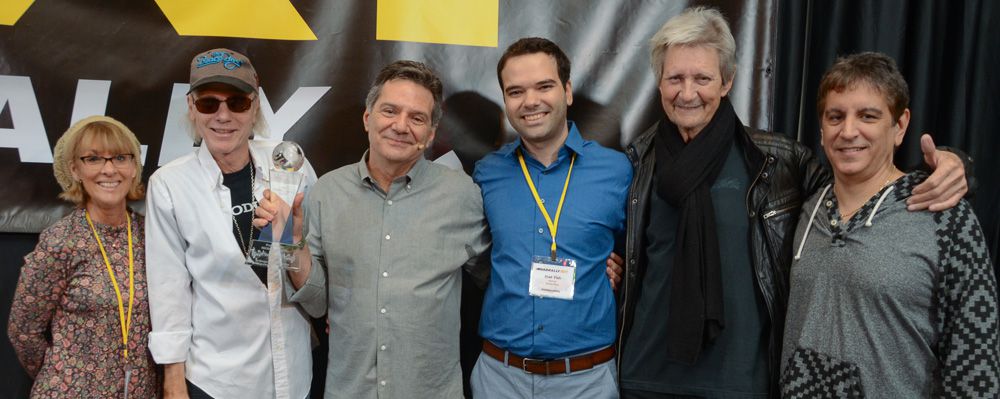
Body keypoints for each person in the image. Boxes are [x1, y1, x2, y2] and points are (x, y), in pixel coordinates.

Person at [615, 7, 970, 399]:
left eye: (702, 78)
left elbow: (862, 187)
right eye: (674, 78)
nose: (687, 92)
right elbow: (611, 248)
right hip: (644, 376)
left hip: (741, 382)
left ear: (727, 81)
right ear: (659, 82)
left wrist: (957, 164)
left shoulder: (777, 161)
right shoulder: (635, 161)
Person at [258, 60, 490, 399]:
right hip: (349, 389)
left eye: (417, 117)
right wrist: (292, 243)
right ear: (368, 118)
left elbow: (496, 280)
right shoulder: (326, 192)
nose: (400, 125)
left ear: (430, 134)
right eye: (390, 111)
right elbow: (318, 301)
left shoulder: (462, 195)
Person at [780, 51, 999, 398]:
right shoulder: (806, 208)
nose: (848, 131)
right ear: (821, 130)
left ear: (899, 126)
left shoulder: (944, 216)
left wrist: (958, 163)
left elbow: (976, 363)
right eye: (835, 116)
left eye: (867, 116)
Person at [145, 48, 318, 399]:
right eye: (209, 103)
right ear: (192, 107)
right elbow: (169, 290)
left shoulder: (288, 164)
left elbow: (316, 268)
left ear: (255, 106)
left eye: (237, 102)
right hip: (217, 379)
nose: (223, 116)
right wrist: (173, 382)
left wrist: (291, 238)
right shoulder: (170, 184)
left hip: (294, 372)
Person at [470, 37, 631, 398]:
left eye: (544, 86)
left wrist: (622, 268)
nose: (530, 102)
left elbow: (642, 253)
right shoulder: (486, 174)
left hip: (586, 381)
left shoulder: (618, 171)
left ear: (568, 91)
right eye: (515, 91)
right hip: (500, 378)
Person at [8, 115, 157, 397]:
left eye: (120, 158)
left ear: (134, 166)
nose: (109, 170)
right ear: (75, 169)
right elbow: (23, 331)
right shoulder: (60, 241)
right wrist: (64, 375)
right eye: (94, 159)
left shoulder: (151, 235)